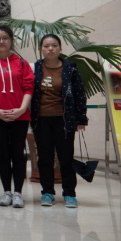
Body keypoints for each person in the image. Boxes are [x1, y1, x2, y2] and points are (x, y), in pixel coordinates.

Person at [0, 24, 34, 208]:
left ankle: (18, 192)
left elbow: (28, 88)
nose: (1, 41)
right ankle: (6, 192)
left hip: (20, 115)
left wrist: (21, 109)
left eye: (5, 38)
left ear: (11, 41)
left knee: (18, 153)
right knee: (3, 153)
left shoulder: (22, 63)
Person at [30, 34, 88, 208]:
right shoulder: (35, 68)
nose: (50, 49)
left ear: (60, 48)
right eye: (46, 46)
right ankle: (47, 192)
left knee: (66, 158)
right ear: (41, 49)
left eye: (54, 45)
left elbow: (79, 94)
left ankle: (69, 194)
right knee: (45, 158)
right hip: (41, 120)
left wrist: (81, 118)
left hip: (64, 120)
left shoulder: (70, 68)